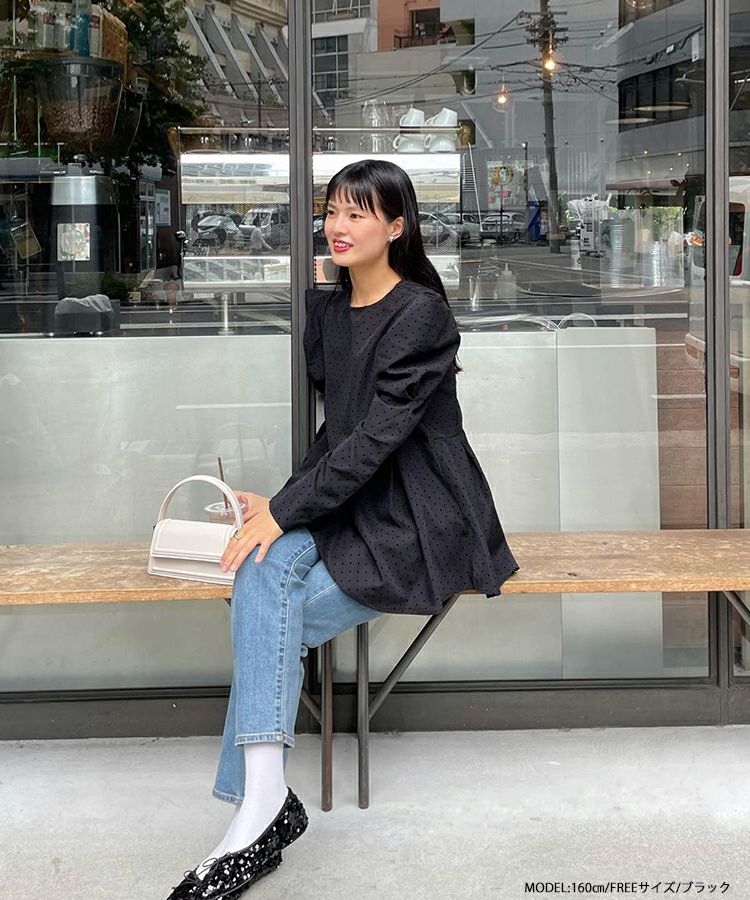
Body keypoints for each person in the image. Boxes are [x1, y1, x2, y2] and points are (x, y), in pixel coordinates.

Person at [166, 158, 520, 899]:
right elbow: (340, 433)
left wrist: (286, 509)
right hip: (352, 501)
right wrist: (281, 502)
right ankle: (265, 804)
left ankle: (258, 813)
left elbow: (378, 440)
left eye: (359, 213)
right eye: (332, 210)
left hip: (417, 512)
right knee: (260, 571)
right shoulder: (328, 312)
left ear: (397, 227)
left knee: (268, 612)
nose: (338, 225)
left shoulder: (421, 314)